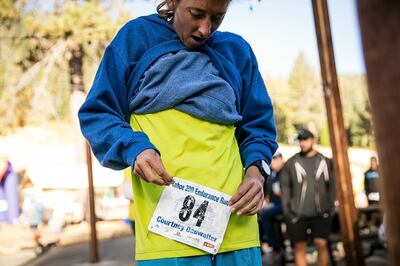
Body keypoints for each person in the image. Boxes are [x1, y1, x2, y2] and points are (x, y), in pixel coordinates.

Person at [78, 0, 278, 265]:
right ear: (172, 1)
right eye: (196, 14)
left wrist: (256, 173)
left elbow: (259, 126)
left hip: (237, 231)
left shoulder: (236, 51)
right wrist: (135, 149)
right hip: (167, 238)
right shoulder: (136, 39)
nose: (205, 29)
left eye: (217, 18)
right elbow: (98, 114)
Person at [280, 129, 335, 266]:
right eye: (300, 140)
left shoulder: (325, 161)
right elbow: (285, 187)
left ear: (313, 140)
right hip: (297, 214)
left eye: (305, 139)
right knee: (299, 247)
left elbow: (333, 186)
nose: (302, 143)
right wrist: (287, 212)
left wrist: (331, 207)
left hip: (322, 212)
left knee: (321, 244)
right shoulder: (291, 163)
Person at [259, 152, 285, 265]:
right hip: (274, 204)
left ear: (280, 158)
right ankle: (264, 242)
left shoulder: (286, 171)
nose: (273, 161)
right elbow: (269, 192)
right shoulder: (272, 174)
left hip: (284, 204)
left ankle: (274, 244)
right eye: (272, 159)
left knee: (265, 214)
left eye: (275, 158)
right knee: (260, 213)